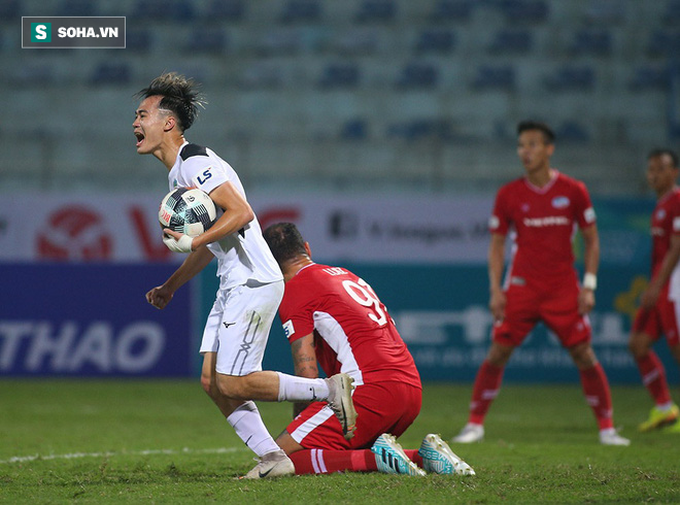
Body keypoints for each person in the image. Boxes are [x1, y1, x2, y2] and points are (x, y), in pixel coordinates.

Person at [134, 72, 356, 479]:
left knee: (234, 383)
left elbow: (241, 214)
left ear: (168, 122)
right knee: (212, 382)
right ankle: (274, 459)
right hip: (231, 280)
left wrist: (192, 241)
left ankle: (329, 390)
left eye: (143, 114)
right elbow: (210, 245)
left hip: (253, 279)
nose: (135, 123)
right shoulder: (178, 174)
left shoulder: (195, 161)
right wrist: (171, 286)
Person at [452, 120, 630, 446]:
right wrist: (496, 289)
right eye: (521, 145)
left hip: (563, 288)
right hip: (522, 286)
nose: (526, 151)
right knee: (497, 353)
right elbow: (496, 244)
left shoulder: (574, 191)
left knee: (584, 354)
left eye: (533, 144)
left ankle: (607, 427)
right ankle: (474, 424)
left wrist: (589, 285)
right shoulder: (509, 194)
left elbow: (592, 241)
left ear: (549, 149)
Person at [262, 222, 475, 476]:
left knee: (279, 458)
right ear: (307, 248)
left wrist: (300, 425)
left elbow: (306, 370)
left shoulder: (295, 288)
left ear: (269, 262)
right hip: (410, 390)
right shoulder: (344, 274)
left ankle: (377, 459)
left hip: (370, 390)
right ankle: (422, 457)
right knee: (336, 454)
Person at [629, 149, 680, 433]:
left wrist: (657, 286)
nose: (654, 174)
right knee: (638, 344)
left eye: (661, 169)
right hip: (660, 287)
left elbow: (677, 246)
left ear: (675, 172)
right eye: (651, 169)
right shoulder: (661, 205)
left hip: (672, 288)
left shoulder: (678, 201)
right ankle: (664, 409)